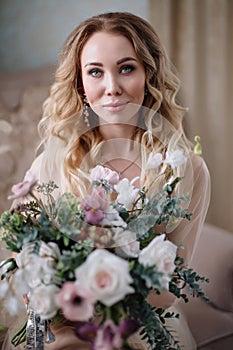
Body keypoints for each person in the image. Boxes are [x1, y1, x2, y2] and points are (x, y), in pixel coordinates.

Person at [3, 12, 210, 350]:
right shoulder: (53, 164)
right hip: (61, 317)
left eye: (126, 68)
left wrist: (107, 310)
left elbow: (169, 287)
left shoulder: (187, 171)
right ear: (81, 84)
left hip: (141, 321)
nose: (112, 87)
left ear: (149, 74)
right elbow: (26, 264)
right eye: (95, 72)